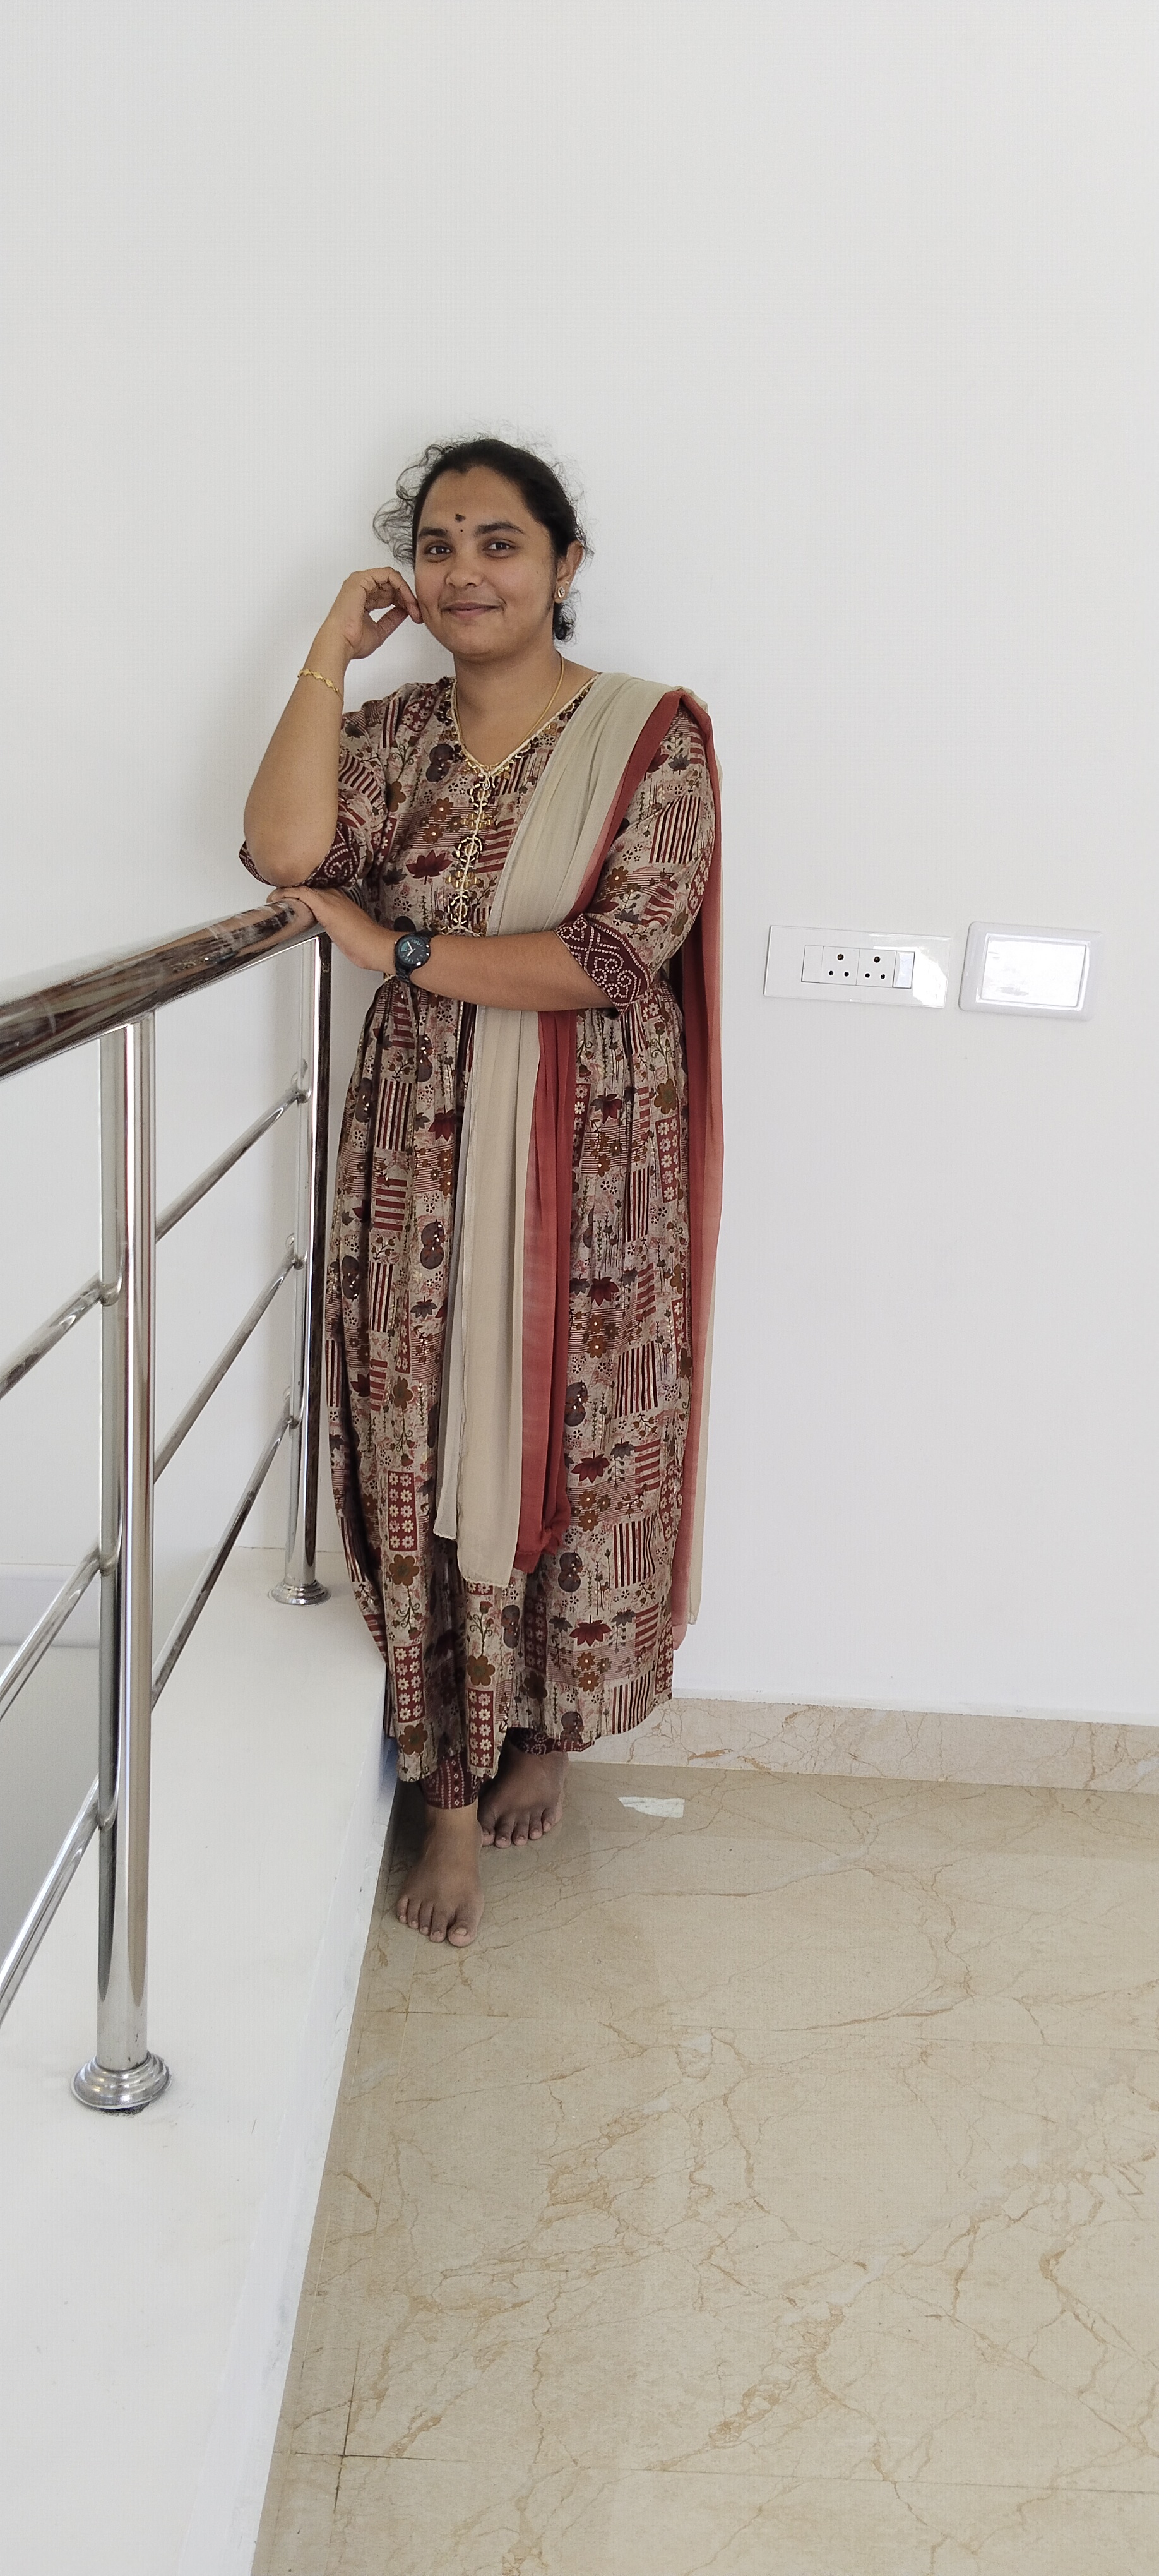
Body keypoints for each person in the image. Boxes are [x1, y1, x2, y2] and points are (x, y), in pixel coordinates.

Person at [242, 435, 722, 1948]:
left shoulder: (652, 737)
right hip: (421, 1154)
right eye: (439, 545)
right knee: (419, 1441)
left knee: (582, 1438)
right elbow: (283, 848)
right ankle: (445, 1787)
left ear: (565, 565)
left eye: (499, 542)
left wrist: (389, 947)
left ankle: (547, 1733)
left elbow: (614, 956)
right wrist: (330, 649)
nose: (465, 571)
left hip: (596, 1156)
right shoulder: (393, 737)